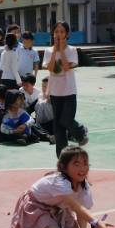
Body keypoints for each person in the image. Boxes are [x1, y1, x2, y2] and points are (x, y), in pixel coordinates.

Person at [10, 147, 111, 228]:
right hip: (37, 206)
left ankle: (52, 224)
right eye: (76, 164)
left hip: (59, 208)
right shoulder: (59, 181)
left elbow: (82, 207)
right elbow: (75, 206)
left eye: (85, 163)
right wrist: (96, 223)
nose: (83, 168)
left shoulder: (83, 185)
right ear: (63, 167)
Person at [41, 21, 87, 155]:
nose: (59, 34)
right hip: (55, 92)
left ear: (67, 34)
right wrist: (55, 50)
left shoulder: (72, 50)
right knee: (58, 126)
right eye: (56, 32)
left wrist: (61, 50)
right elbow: (50, 69)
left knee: (66, 120)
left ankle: (80, 131)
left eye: (62, 32)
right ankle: (62, 157)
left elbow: (66, 67)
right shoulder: (48, 51)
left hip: (69, 91)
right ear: (53, 33)